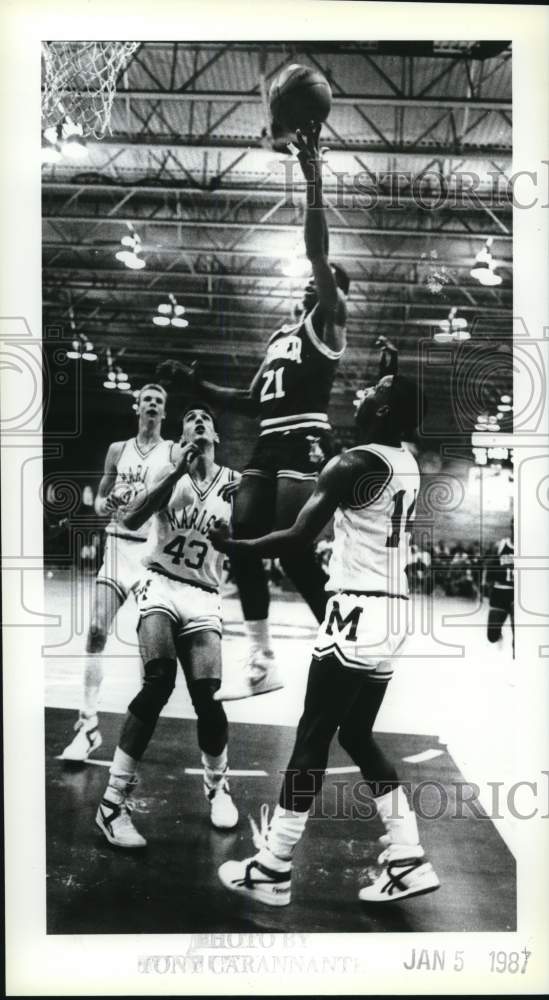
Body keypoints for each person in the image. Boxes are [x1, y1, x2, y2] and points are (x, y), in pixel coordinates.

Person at [208, 370, 440, 906]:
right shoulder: (404, 459)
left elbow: (294, 540)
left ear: (383, 412)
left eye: (374, 392)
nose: (361, 395)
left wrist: (238, 546)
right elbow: (399, 402)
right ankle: (407, 856)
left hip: (357, 609)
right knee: (356, 735)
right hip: (396, 612)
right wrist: (392, 371)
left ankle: (273, 865)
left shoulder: (351, 464)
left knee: (312, 736)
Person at [157, 123, 349, 700]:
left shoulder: (330, 321)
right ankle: (263, 659)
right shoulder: (278, 336)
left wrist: (312, 174)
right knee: (240, 541)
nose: (311, 287)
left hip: (305, 442)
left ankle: (342, 640)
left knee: (291, 548)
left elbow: (318, 251)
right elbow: (248, 399)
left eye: (323, 284)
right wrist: (194, 383)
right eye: (314, 285)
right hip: (267, 442)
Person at [95, 404, 240, 847]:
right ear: (182, 437)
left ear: (215, 432)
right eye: (189, 420)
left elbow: (252, 539)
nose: (197, 422)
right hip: (159, 585)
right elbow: (132, 519)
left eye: (204, 419)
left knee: (208, 697)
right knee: (157, 683)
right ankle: (112, 803)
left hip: (203, 594)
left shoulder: (234, 482)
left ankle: (217, 786)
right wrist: (174, 473)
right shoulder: (170, 471)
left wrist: (231, 539)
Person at [61, 384, 175, 762]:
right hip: (116, 546)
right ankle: (87, 724)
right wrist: (108, 501)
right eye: (148, 400)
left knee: (153, 656)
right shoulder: (117, 450)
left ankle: (136, 737)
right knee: (95, 629)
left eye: (159, 401)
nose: (153, 406)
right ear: (137, 407)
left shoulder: (172, 451)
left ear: (164, 411)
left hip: (149, 556)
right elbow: (98, 507)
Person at [485, 531, 514, 650]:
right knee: (492, 636)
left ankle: (517, 660)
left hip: (517, 593)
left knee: (518, 636)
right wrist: (488, 584)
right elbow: (490, 565)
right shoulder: (501, 545)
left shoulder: (530, 546)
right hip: (499, 592)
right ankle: (498, 635)